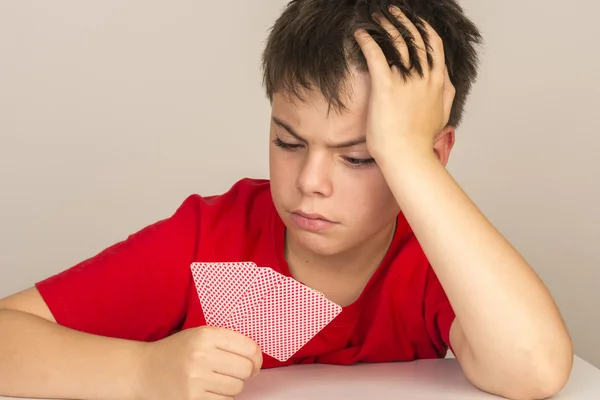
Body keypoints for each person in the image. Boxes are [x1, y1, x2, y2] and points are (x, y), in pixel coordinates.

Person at [0, 1, 574, 399]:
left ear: (433, 157)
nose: (310, 183)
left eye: (360, 156)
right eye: (288, 142)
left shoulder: (437, 256)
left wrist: (407, 156)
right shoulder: (209, 241)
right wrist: (141, 373)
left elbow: (535, 371)